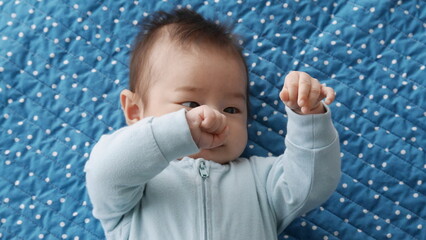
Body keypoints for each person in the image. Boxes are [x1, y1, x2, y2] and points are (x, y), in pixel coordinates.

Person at [84, 8, 341, 240]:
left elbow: (313, 182)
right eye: (190, 104)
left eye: (231, 109)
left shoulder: (262, 181)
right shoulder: (137, 186)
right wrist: (180, 130)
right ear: (134, 110)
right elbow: (105, 171)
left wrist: (308, 116)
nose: (213, 118)